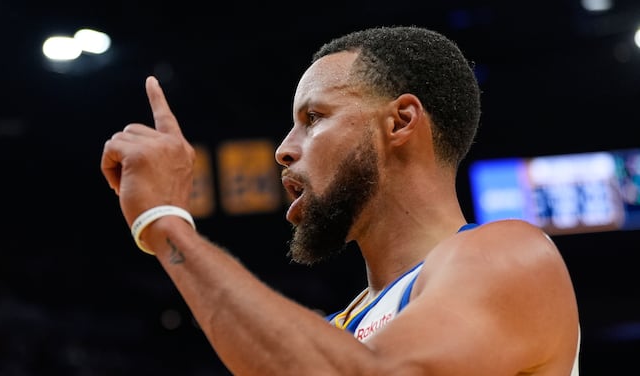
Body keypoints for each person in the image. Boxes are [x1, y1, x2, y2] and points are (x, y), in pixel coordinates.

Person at [100, 26, 581, 375]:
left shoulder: (510, 255)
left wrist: (165, 223)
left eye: (313, 118)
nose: (283, 150)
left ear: (400, 121)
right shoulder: (336, 335)